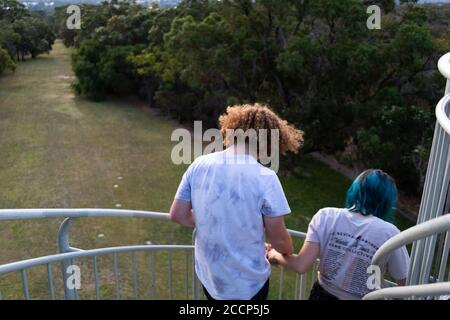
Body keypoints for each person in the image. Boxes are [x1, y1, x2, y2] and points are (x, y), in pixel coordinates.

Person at [169, 103, 303, 300]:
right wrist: (285, 251)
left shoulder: (199, 164)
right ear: (269, 143)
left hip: (210, 278)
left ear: (232, 130)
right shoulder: (265, 177)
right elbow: (279, 240)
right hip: (248, 286)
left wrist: (212, 220)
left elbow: (177, 215)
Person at [267, 169, 410, 300]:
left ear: (355, 189)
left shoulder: (327, 216)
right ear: (387, 201)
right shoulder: (390, 233)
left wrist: (274, 255)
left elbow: (301, 265)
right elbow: (405, 283)